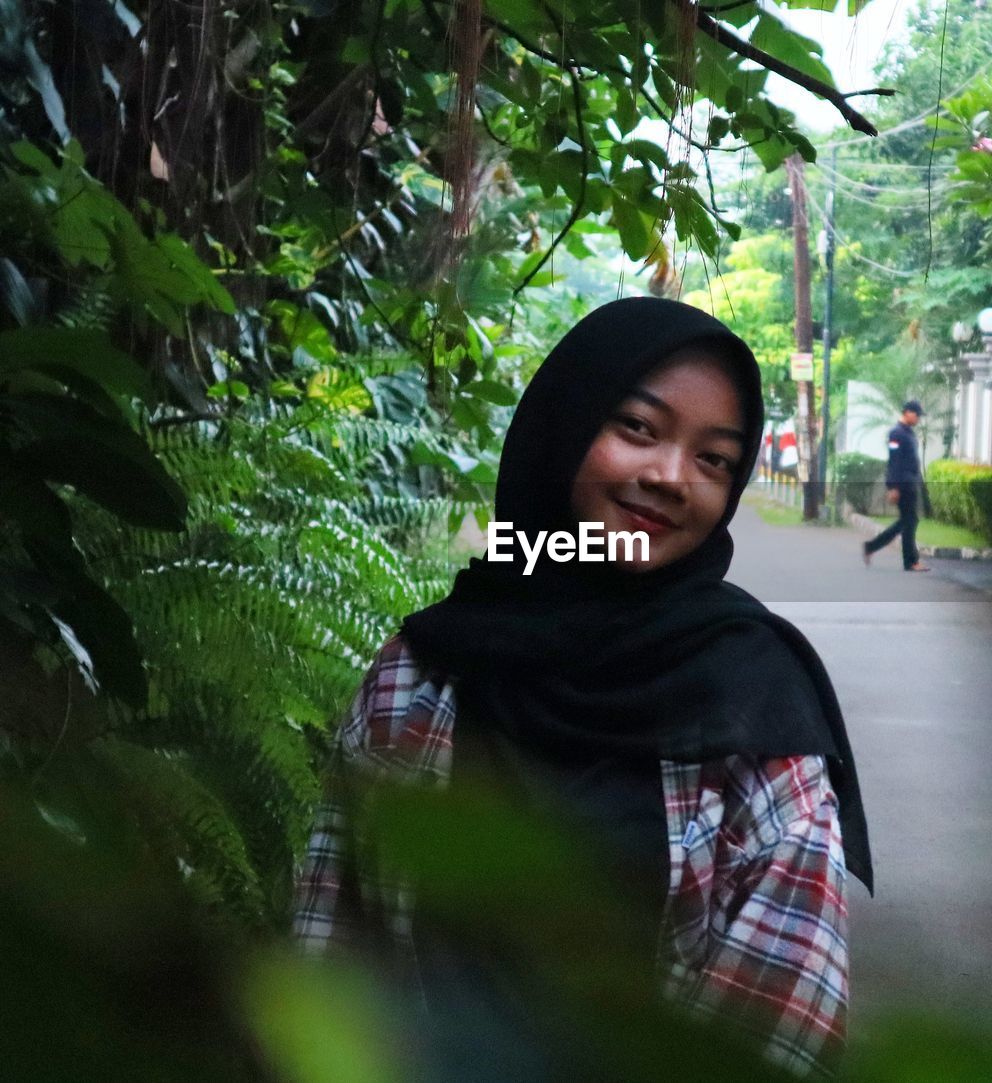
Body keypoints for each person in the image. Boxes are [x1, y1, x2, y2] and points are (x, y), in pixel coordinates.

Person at [292, 297, 872, 1078]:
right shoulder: (424, 673)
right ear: (562, 427)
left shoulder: (754, 700)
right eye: (638, 427)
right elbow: (331, 938)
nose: (670, 477)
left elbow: (783, 1006)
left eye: (714, 459)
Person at [863, 399, 930, 572]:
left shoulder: (908, 433)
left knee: (907, 521)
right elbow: (894, 461)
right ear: (907, 412)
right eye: (917, 415)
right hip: (902, 484)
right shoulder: (896, 433)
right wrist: (893, 487)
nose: (918, 419)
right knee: (909, 521)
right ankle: (910, 561)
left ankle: (872, 547)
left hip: (909, 483)